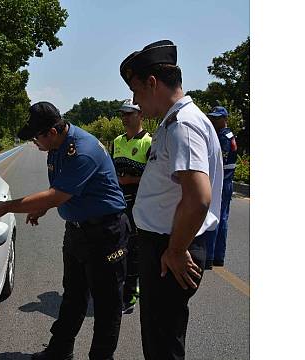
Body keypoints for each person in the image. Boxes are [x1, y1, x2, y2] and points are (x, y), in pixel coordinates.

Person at [0, 101, 129, 360]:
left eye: (35, 138)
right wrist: (43, 208)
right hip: (77, 232)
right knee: (73, 295)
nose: (34, 144)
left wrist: (6, 207)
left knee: (107, 305)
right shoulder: (56, 146)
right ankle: (59, 351)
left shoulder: (81, 151)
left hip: (105, 234)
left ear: (51, 132)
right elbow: (64, 192)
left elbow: (55, 195)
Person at [119, 40, 223, 360]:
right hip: (166, 245)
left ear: (152, 83)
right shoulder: (171, 123)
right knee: (160, 336)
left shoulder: (184, 126)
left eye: (136, 91)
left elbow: (198, 197)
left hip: (170, 248)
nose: (135, 101)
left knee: (163, 342)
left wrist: (176, 251)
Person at [111, 99, 152, 314]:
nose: (125, 118)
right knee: (119, 249)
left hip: (140, 205)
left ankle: (130, 296)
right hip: (118, 205)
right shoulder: (116, 141)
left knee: (134, 250)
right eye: (123, 114)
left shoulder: (148, 142)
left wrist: (131, 181)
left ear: (140, 115)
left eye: (130, 113)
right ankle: (119, 290)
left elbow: (156, 177)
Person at [204, 106, 237, 269]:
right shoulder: (227, 134)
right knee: (221, 217)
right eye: (212, 117)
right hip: (226, 181)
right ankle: (217, 256)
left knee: (214, 216)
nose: (213, 121)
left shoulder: (223, 137)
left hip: (222, 181)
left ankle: (210, 256)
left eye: (217, 118)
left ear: (225, 119)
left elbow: (219, 162)